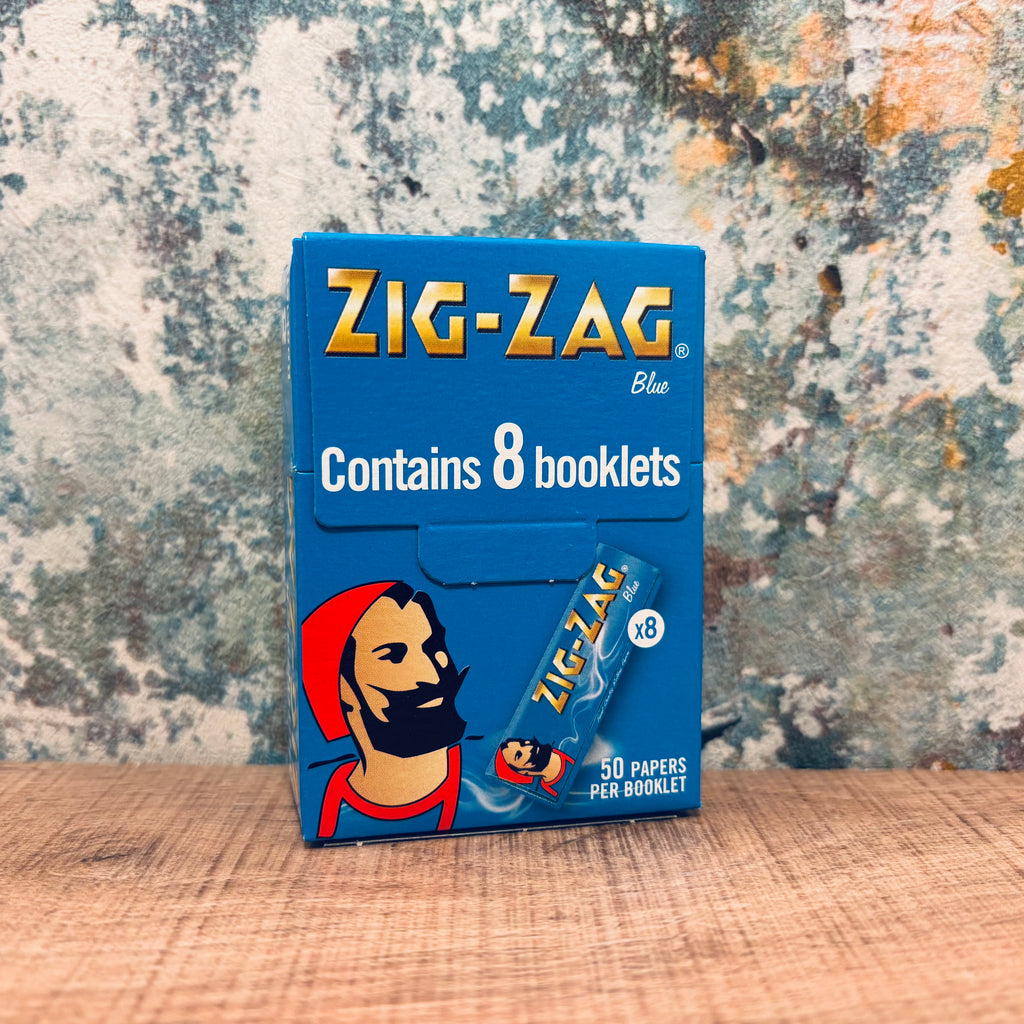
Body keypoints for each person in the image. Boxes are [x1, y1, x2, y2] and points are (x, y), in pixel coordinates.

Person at [301, 580, 468, 838]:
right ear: (344, 688)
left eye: (434, 647)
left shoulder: (488, 767)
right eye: (393, 656)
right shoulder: (324, 799)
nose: (432, 675)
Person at [496, 736, 574, 800]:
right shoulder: (547, 794)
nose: (529, 747)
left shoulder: (568, 741)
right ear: (522, 772)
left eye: (523, 743)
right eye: (519, 755)